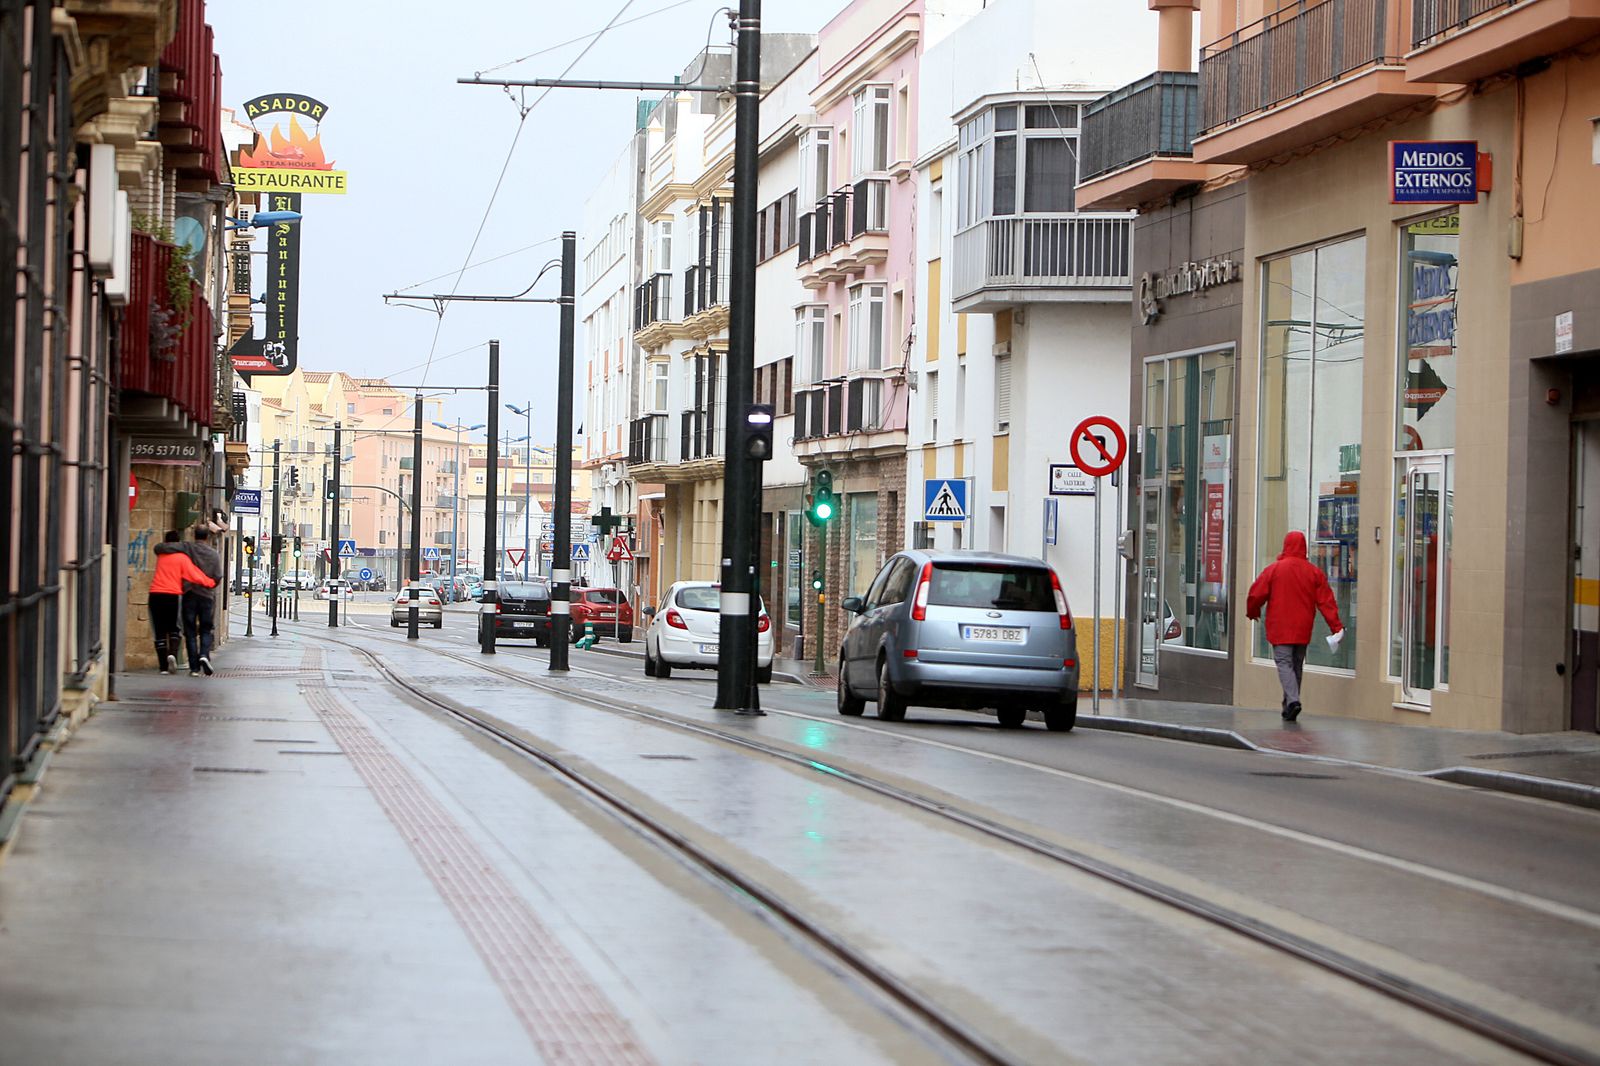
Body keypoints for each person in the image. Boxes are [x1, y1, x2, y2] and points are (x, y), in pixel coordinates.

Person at [1246, 531, 1344, 721]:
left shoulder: (1274, 569)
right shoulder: (1314, 572)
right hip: (1303, 628)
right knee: (1296, 665)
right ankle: (1289, 706)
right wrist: (1336, 626)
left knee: (1284, 663)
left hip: (1280, 627)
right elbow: (1327, 602)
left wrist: (1253, 611)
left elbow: (1256, 594)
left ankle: (1292, 700)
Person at [157, 526, 223, 676]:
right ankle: (204, 655)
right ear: (207, 537)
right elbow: (218, 576)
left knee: (190, 631)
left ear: (194, 535)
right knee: (206, 628)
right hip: (207, 596)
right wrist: (211, 586)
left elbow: (166, 547)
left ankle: (194, 668)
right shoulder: (214, 555)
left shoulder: (187, 548)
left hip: (189, 594)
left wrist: (160, 547)